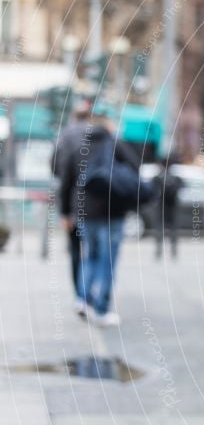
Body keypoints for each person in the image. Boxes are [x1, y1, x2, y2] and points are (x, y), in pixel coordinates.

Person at [59, 109, 141, 327]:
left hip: (85, 212)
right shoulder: (116, 145)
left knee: (90, 256)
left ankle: (83, 299)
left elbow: (66, 183)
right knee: (108, 260)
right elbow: (136, 175)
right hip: (113, 213)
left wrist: (65, 213)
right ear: (108, 126)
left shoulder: (79, 148)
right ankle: (102, 309)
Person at [51, 100, 92, 309]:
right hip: (96, 203)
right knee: (95, 250)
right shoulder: (98, 134)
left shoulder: (65, 135)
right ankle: (90, 293)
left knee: (75, 250)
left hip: (73, 203)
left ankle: (79, 294)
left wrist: (65, 212)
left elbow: (55, 168)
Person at [154, 155, 183, 260]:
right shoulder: (175, 179)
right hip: (171, 207)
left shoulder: (158, 178)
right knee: (172, 230)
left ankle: (159, 252)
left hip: (163, 207)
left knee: (161, 230)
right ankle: (173, 252)